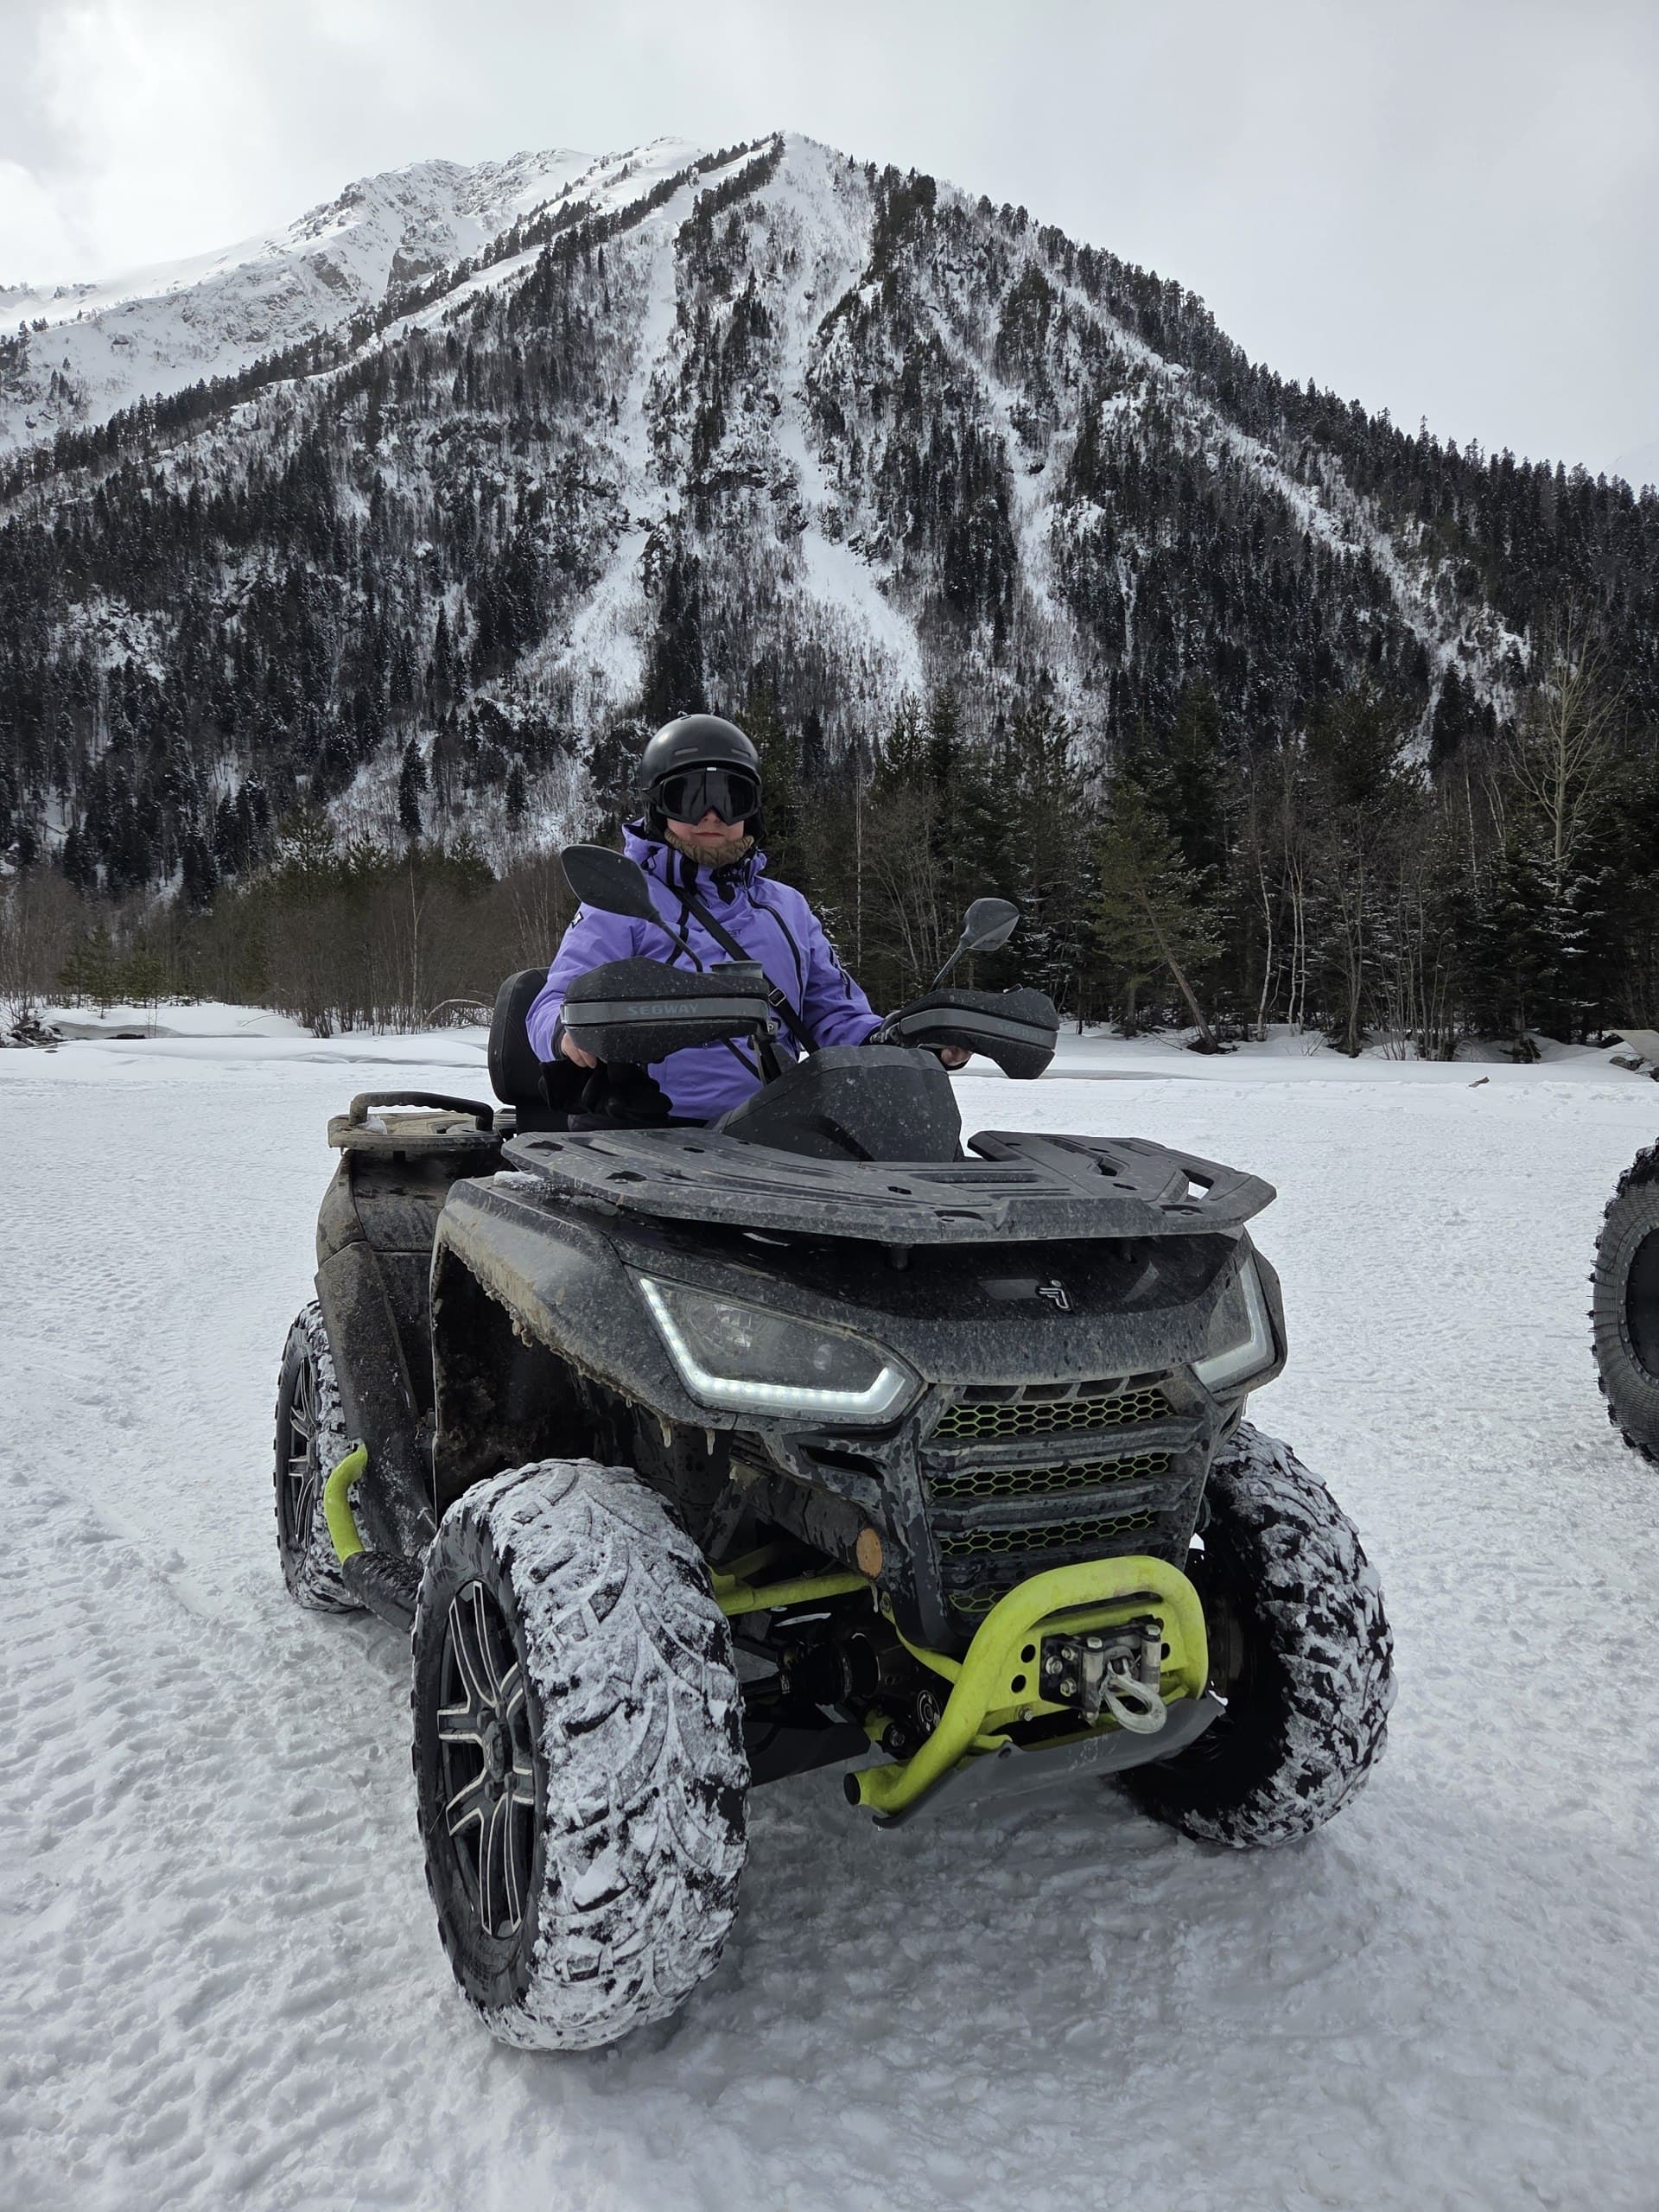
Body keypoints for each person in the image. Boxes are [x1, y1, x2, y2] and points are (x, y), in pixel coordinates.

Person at [525, 713, 966, 1125]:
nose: (711, 816)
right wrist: (571, 1031)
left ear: (750, 811)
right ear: (658, 808)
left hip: (776, 1128)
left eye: (730, 799)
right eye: (689, 798)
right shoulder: (623, 899)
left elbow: (834, 1014)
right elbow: (553, 1003)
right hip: (652, 1131)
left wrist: (904, 1040)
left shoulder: (786, 908)